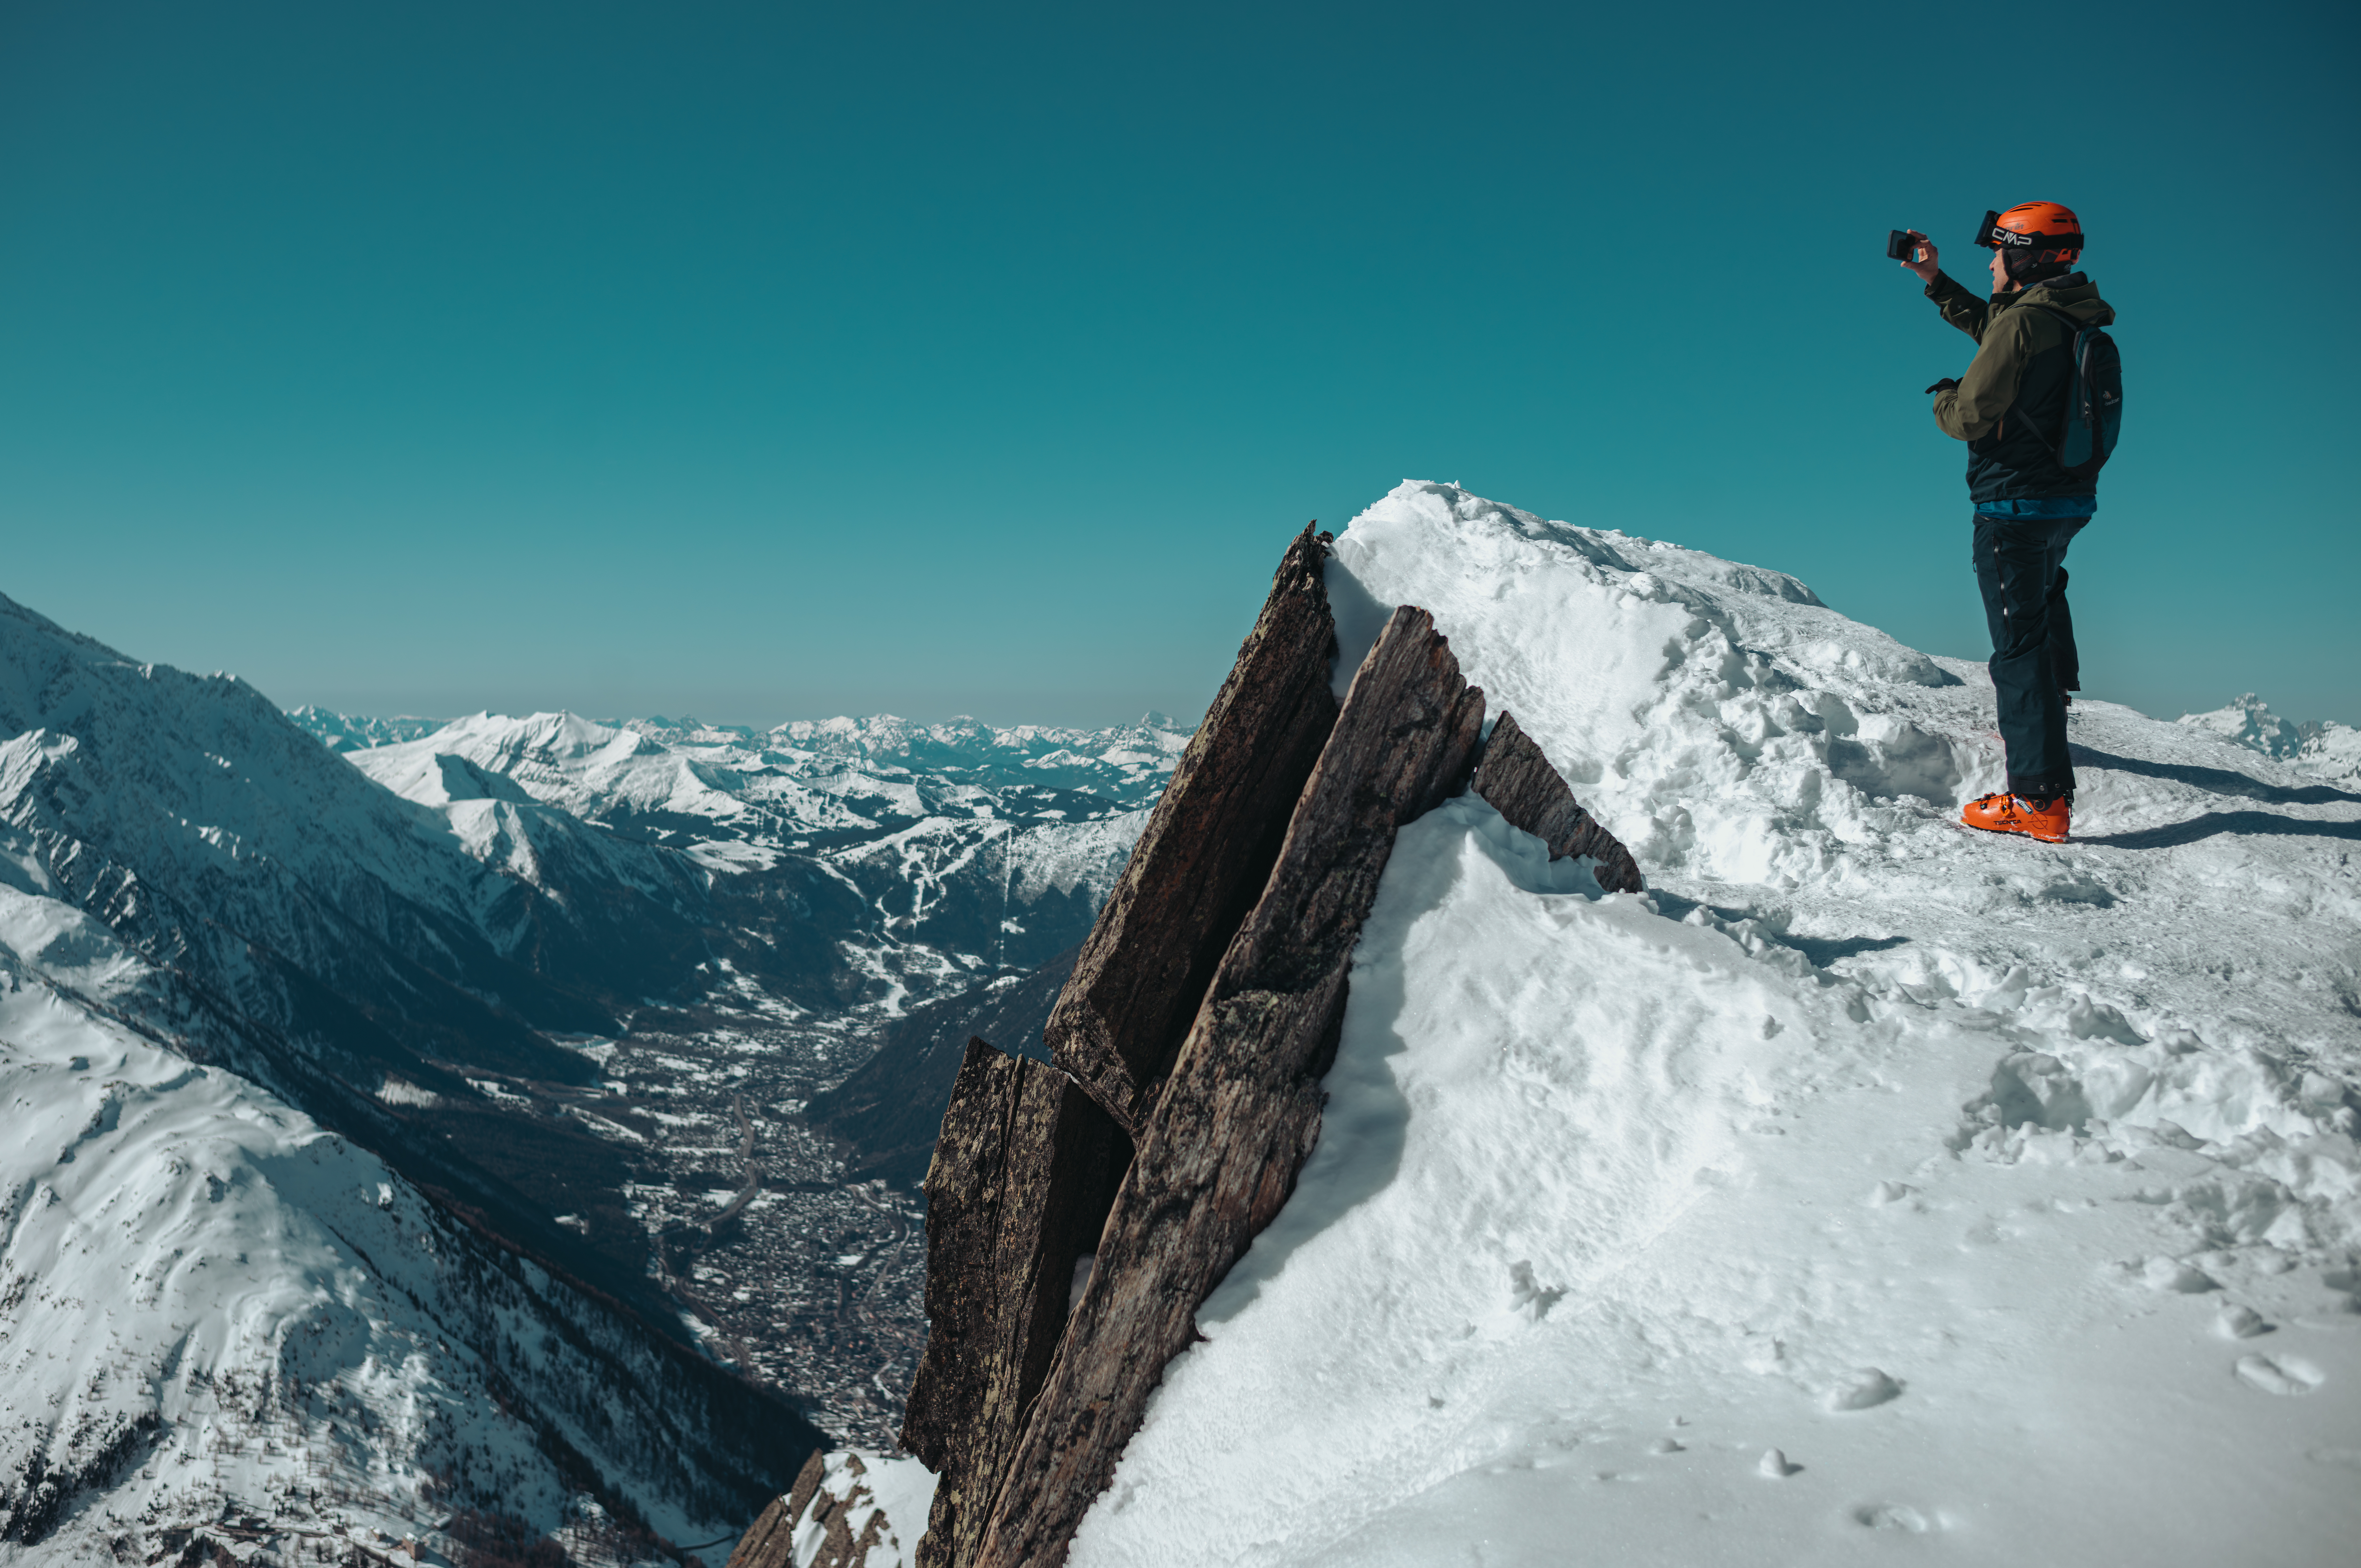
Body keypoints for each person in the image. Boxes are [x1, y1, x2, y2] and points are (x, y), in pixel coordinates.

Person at [1897, 203, 2115, 844]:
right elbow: (1999, 330)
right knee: (2044, 596)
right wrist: (1932, 279)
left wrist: (1941, 396)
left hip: (2011, 503)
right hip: (2066, 499)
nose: (1990, 262)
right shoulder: (2067, 314)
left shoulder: (2025, 323)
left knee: (2016, 646)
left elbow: (1969, 414)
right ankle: (2052, 707)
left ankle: (2039, 800)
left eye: (1999, 251)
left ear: (2027, 257)